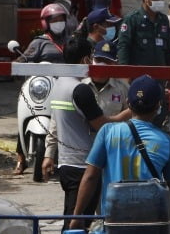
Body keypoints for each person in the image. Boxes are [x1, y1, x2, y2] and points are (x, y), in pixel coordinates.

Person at [67, 75, 170, 234]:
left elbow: (91, 177)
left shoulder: (108, 132)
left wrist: (76, 215)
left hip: (114, 222)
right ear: (158, 106)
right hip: (152, 222)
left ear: (128, 104)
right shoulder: (168, 143)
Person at [41, 37, 131, 231]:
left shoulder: (59, 84)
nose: (96, 64)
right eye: (93, 59)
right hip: (84, 165)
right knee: (78, 221)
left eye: (106, 61)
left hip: (85, 163)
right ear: (85, 60)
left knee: (91, 218)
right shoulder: (80, 89)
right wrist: (130, 113)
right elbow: (102, 125)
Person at [13, 2, 69, 174]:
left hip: (64, 89)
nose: (58, 22)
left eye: (61, 19)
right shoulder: (39, 43)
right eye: (54, 19)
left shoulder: (71, 41)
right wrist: (17, 64)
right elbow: (23, 60)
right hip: (42, 90)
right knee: (24, 114)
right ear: (46, 22)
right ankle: (20, 160)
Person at [117, 0, 170, 66]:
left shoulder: (163, 20)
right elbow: (123, 47)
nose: (160, 1)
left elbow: (169, 49)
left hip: (160, 74)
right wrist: (125, 73)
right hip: (138, 74)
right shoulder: (132, 19)